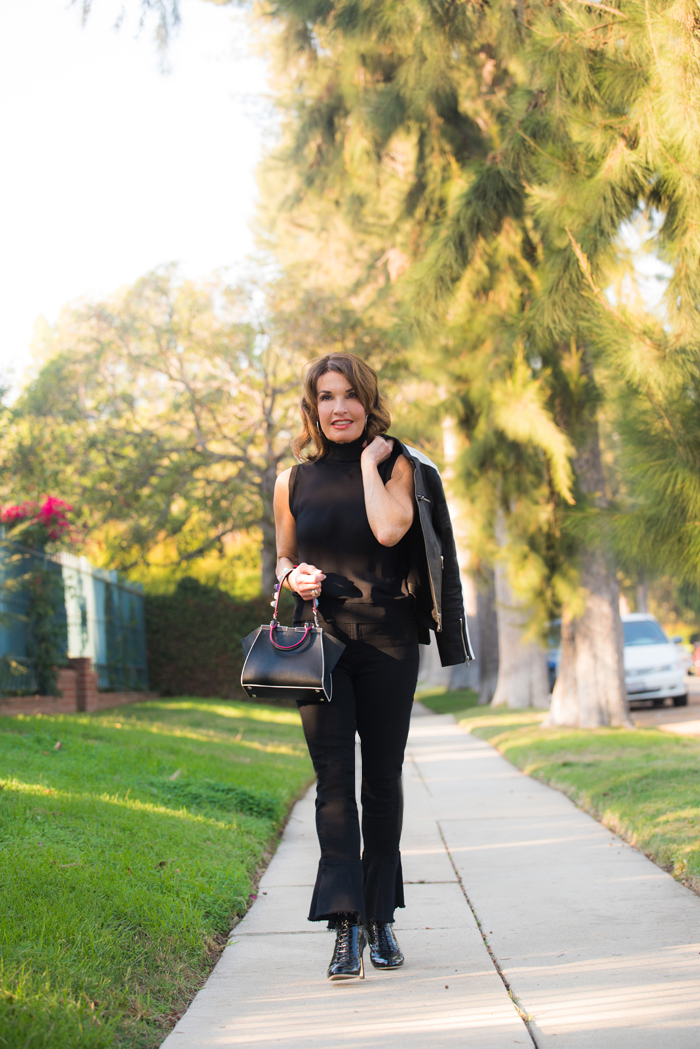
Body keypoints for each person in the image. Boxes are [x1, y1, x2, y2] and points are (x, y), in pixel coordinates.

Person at [273, 352, 473, 981]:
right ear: (313, 405)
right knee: (334, 786)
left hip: (387, 641)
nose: (339, 408)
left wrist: (366, 463)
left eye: (350, 395)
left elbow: (389, 531)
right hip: (321, 644)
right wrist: (292, 574)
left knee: (381, 780)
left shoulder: (397, 465)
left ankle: (380, 918)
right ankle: (343, 926)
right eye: (327, 396)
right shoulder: (290, 482)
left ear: (368, 401)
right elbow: (280, 558)